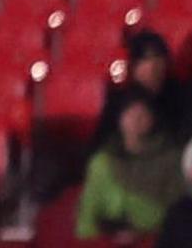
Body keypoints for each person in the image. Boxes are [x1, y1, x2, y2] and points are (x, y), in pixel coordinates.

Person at [76, 93, 183, 238]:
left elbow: (177, 210)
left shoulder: (170, 159)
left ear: (152, 119)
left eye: (142, 114)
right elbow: (88, 211)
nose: (136, 120)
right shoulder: (102, 162)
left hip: (153, 242)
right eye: (130, 113)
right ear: (120, 119)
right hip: (107, 243)